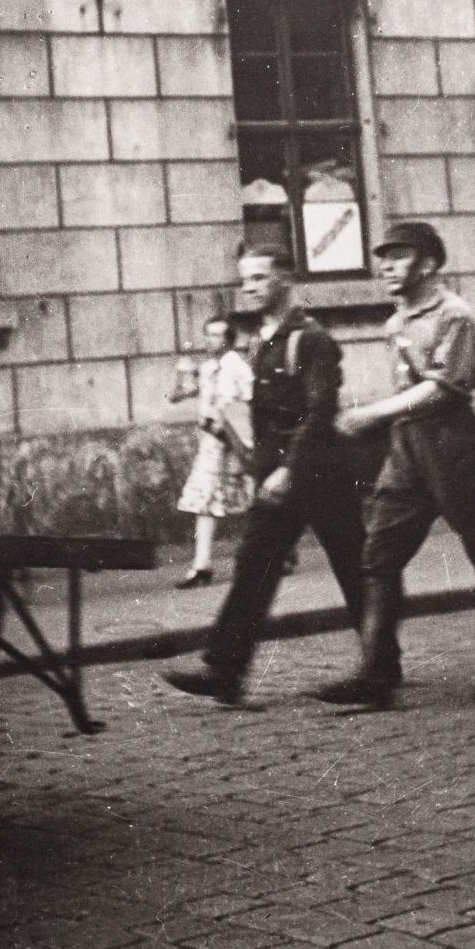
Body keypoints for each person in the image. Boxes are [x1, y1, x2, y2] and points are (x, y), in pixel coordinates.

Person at [314, 221, 475, 711]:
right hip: (409, 450)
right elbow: (409, 391)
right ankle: (377, 671)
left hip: (455, 447)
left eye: (399, 256)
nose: (386, 266)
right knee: (379, 555)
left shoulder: (454, 316)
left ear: (430, 264)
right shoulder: (397, 321)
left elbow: (442, 388)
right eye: (383, 257)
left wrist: (370, 414)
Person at [163, 246, 365, 707]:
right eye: (245, 279)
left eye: (259, 277)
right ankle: (225, 671)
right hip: (279, 476)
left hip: (320, 473)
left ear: (286, 280)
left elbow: (320, 412)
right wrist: (263, 471)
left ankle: (381, 664)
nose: (249, 287)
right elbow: (259, 418)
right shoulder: (260, 341)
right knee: (254, 565)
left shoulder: (308, 340)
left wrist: (291, 471)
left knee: (354, 567)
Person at [166, 313, 255, 588]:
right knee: (204, 500)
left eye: (217, 335)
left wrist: (239, 430)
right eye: (208, 334)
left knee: (253, 498)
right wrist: (180, 374)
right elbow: (175, 397)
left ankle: (282, 553)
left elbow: (254, 402)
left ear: (229, 339)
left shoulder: (239, 368)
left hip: (236, 443)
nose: (211, 340)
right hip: (211, 444)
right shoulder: (206, 369)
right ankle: (202, 567)